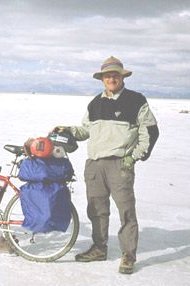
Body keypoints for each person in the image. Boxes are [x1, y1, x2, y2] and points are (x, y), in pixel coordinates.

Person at [57, 56, 159, 274]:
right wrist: (67, 130)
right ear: (102, 79)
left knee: (126, 212)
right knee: (97, 210)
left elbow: (150, 131)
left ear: (122, 77)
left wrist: (133, 157)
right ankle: (99, 248)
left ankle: (128, 255)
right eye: (107, 76)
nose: (111, 79)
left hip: (119, 165)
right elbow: (86, 130)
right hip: (95, 165)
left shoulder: (136, 101)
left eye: (115, 75)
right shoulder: (95, 103)